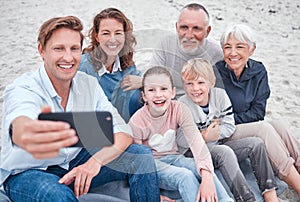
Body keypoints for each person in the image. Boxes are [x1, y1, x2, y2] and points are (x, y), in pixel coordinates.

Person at [0, 16, 160, 201]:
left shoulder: (88, 84)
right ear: (42, 51)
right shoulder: (23, 88)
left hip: (75, 160)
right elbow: (21, 125)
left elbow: (123, 133)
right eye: (58, 48)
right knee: (57, 195)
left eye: (74, 49)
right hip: (31, 171)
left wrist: (95, 162)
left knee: (140, 156)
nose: (68, 57)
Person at [215, 23, 300, 197]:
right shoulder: (217, 72)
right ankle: (297, 183)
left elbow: (259, 112)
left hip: (244, 123)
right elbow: (219, 116)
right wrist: (232, 119)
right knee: (263, 128)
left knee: (278, 124)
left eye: (240, 47)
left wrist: (236, 117)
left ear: (251, 50)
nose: (232, 53)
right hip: (225, 130)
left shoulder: (259, 70)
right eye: (227, 47)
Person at [179, 58, 279, 201]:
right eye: (189, 83)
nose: (195, 88)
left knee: (256, 144)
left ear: (211, 83)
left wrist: (216, 133)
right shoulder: (182, 106)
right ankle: (246, 198)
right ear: (184, 85)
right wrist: (204, 135)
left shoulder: (220, 96)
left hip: (217, 142)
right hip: (196, 152)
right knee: (224, 152)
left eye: (200, 82)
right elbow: (181, 140)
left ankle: (269, 191)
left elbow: (229, 126)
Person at [128, 66, 233, 202]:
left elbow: (196, 142)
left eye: (163, 89)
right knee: (185, 176)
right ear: (144, 96)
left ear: (173, 93)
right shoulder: (137, 121)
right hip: (154, 165)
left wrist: (207, 176)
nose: (158, 94)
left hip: (175, 157)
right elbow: (137, 164)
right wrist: (153, 194)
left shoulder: (179, 109)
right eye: (151, 90)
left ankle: (226, 200)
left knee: (200, 169)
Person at [79, 8, 143, 122]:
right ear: (97, 37)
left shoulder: (127, 65)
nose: (112, 40)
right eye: (106, 33)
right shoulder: (83, 67)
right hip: (94, 126)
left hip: (124, 127)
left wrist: (144, 82)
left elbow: (155, 86)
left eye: (118, 33)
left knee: (139, 94)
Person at [149, 3, 224, 97]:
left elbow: (218, 93)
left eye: (196, 28)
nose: (189, 35)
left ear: (207, 31)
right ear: (177, 27)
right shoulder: (165, 45)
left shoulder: (216, 53)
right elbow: (151, 80)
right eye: (184, 27)